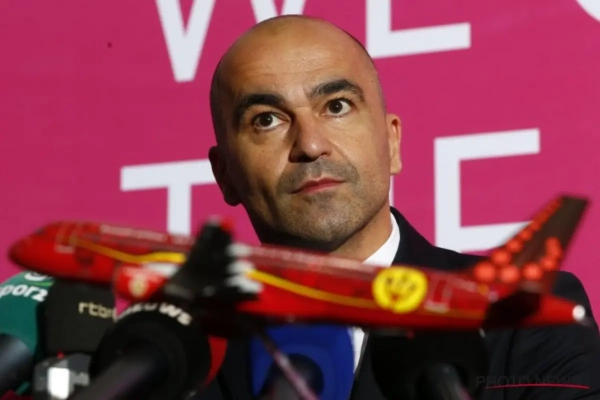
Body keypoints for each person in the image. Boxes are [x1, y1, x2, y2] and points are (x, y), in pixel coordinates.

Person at [203, 15, 600, 400]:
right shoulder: (188, 350)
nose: (310, 144)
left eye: (337, 106)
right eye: (266, 120)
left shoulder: (520, 317)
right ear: (224, 175)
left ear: (392, 143)